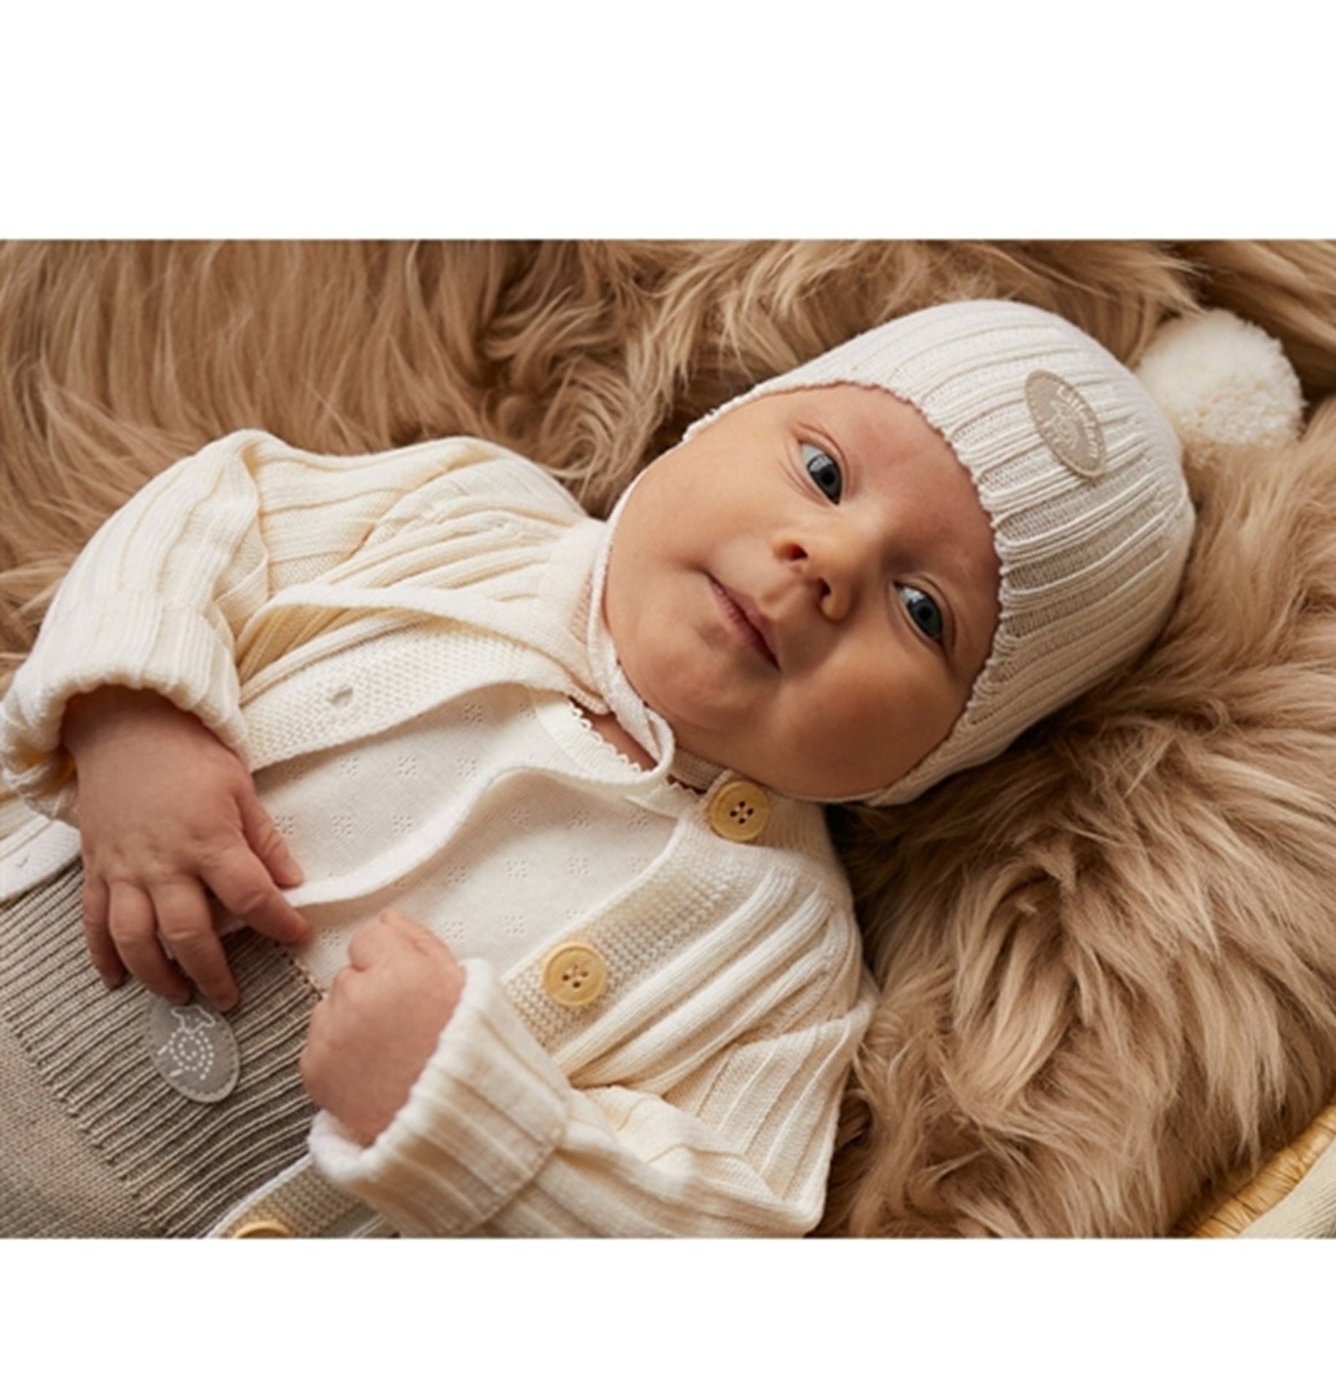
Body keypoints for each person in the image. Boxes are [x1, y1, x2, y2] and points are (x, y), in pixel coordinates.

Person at [0, 299, 1195, 1237]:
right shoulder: (466, 513)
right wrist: (133, 716)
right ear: (709, 430)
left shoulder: (785, 967)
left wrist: (472, 1122)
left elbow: (722, 1227)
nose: (830, 557)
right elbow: (222, 507)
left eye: (925, 610)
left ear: (945, 751)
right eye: (825, 472)